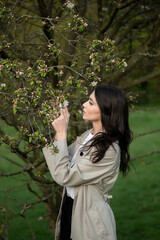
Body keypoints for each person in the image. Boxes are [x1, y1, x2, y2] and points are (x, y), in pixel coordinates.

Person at [42, 85, 132, 240]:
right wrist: (60, 127)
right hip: (69, 208)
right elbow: (60, 159)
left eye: (91, 102)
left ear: (106, 110)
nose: (84, 104)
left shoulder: (109, 149)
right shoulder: (88, 135)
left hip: (89, 219)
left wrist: (62, 133)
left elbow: (64, 175)